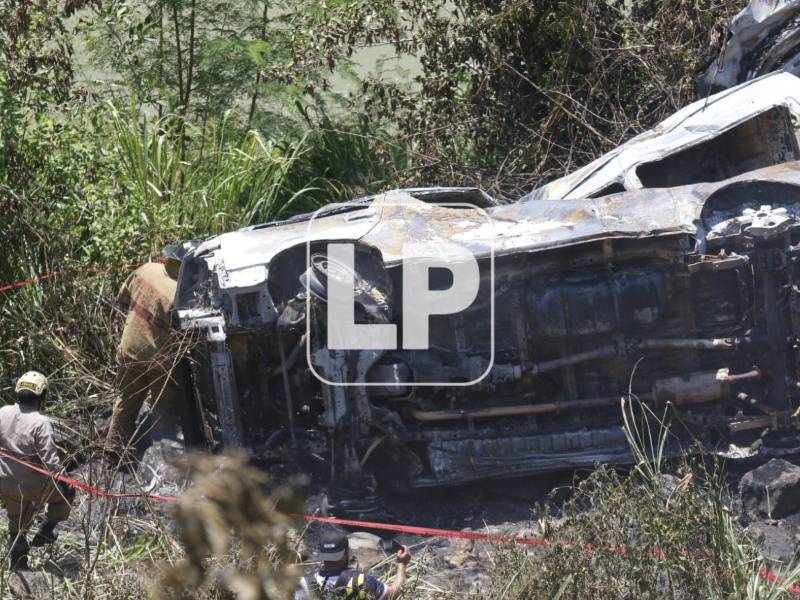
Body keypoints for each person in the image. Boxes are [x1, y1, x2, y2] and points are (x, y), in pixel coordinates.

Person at [105, 244, 187, 455]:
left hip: (130, 347)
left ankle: (114, 448)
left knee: (126, 400)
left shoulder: (145, 269)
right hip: (158, 359)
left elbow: (123, 298)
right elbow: (184, 336)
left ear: (167, 258)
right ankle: (159, 453)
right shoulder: (181, 292)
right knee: (162, 405)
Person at [0, 371, 74, 569]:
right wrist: (67, 481)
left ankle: (19, 563)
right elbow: (52, 463)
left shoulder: (3, 412)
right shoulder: (41, 423)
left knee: (17, 519)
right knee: (66, 493)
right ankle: (47, 530)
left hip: (4, 481)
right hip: (31, 485)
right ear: (42, 396)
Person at [295, 531, 411, 600]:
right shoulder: (360, 581)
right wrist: (402, 565)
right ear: (346, 553)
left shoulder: (303, 583)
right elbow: (392, 594)